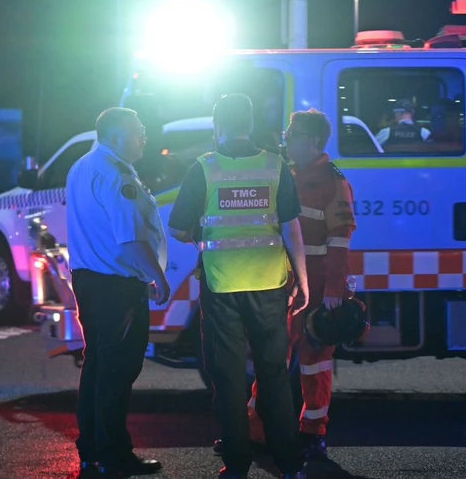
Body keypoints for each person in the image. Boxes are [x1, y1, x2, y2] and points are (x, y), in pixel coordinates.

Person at [167, 94, 310, 479]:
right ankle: (290, 464)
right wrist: (304, 279)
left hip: (222, 285)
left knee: (228, 379)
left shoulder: (203, 169)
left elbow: (178, 227)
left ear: (218, 125)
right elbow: (291, 227)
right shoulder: (274, 166)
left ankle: (237, 464)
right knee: (274, 377)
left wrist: (202, 235)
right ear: (249, 124)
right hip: (269, 283)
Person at [246, 109, 357, 459]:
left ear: (311, 141)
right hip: (283, 283)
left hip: (317, 288)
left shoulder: (333, 182)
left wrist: (335, 293)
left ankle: (312, 431)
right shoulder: (289, 173)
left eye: (291, 135)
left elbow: (339, 240)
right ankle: (255, 432)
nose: (285, 140)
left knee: (314, 362)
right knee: (270, 359)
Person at [67, 107, 170, 478]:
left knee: (97, 366)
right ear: (114, 136)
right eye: (137, 131)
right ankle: (114, 455)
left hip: (89, 280)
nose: (143, 136)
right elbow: (129, 239)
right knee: (117, 369)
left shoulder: (81, 167)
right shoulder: (117, 174)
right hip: (116, 286)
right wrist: (157, 275)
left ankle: (91, 450)